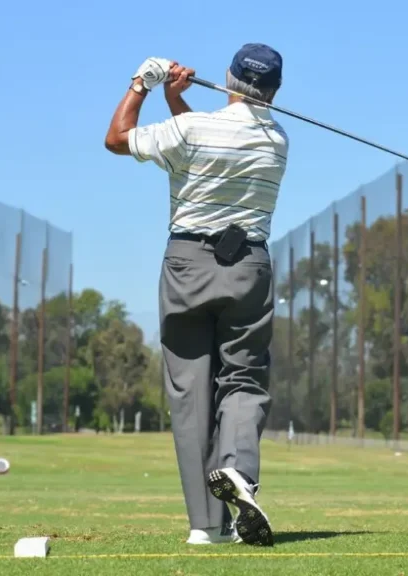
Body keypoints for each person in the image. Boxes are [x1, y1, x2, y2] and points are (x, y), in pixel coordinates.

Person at [103, 44, 288, 547]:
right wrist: (176, 100)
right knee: (243, 379)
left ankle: (206, 526)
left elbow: (116, 139)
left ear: (229, 79)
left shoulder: (192, 130)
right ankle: (237, 471)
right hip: (249, 266)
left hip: (187, 265)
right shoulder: (276, 139)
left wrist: (144, 84)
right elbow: (207, 150)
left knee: (190, 391)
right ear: (274, 90)